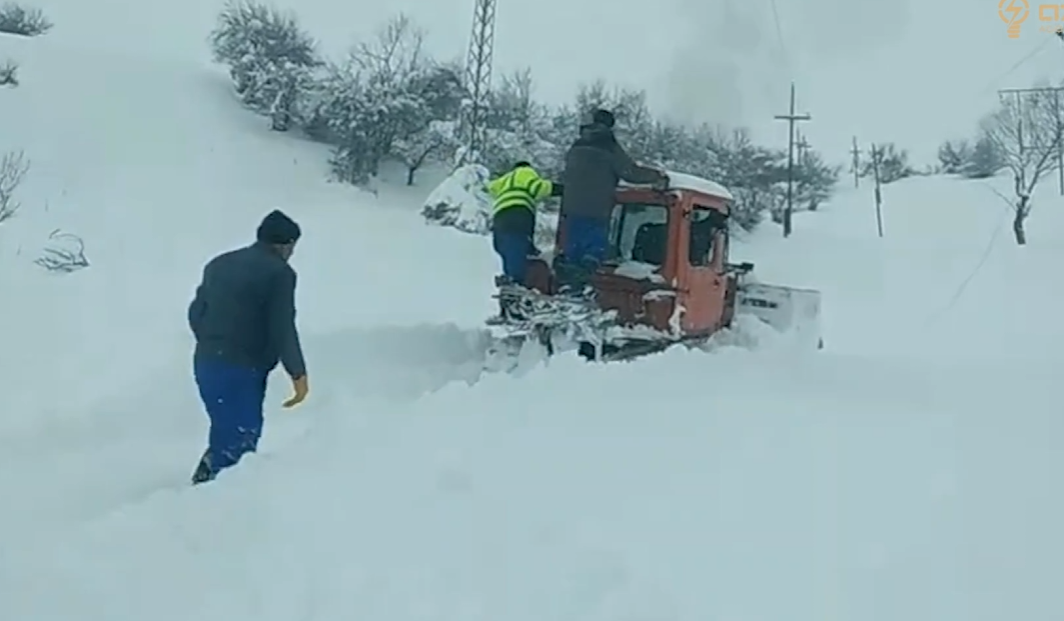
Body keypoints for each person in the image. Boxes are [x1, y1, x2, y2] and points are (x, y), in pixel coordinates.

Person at [186, 209, 309, 484]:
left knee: (225, 429)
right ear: (284, 244)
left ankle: (207, 480)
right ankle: (216, 500)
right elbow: (282, 326)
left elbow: (196, 312)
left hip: (206, 363)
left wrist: (212, 342)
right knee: (241, 436)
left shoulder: (218, 264)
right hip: (243, 368)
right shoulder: (280, 274)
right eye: (292, 246)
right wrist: (298, 373)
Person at [556, 109, 668, 288]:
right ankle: (586, 281)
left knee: (573, 252)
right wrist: (656, 176)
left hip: (571, 208)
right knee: (593, 254)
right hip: (596, 208)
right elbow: (630, 172)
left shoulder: (576, 146)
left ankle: (570, 287)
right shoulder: (608, 145)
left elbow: (566, 174)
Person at [486, 160, 563, 287]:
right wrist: (562, 189)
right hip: (518, 212)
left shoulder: (504, 179)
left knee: (506, 247)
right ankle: (518, 279)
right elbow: (538, 188)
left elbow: (490, 187)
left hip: (500, 217)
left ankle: (511, 276)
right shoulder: (525, 172)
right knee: (518, 244)